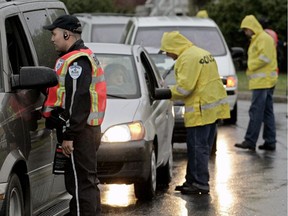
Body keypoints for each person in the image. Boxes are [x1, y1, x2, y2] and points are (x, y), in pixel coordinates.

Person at [42, 14, 107, 215]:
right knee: (86, 181)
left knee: (80, 185)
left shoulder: (77, 61)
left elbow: (78, 100)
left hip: (79, 132)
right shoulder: (80, 56)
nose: (52, 39)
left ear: (67, 34)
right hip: (84, 130)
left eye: (54, 34)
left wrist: (70, 135)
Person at [159, 31, 230, 194]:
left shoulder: (186, 58)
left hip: (200, 110)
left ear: (173, 47)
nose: (168, 55)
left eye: (167, 51)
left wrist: (166, 91)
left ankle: (200, 183)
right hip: (211, 109)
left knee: (198, 148)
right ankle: (191, 180)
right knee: (199, 147)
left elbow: (185, 88)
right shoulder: (201, 53)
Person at [235, 15, 278, 151]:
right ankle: (270, 141)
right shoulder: (261, 38)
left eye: (246, 29)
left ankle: (250, 141)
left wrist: (249, 65)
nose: (245, 32)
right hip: (265, 81)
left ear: (251, 27)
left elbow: (264, 58)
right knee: (267, 112)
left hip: (262, 82)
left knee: (256, 111)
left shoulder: (262, 39)